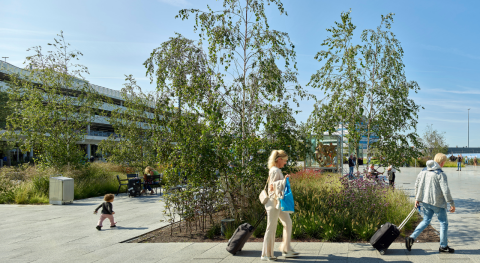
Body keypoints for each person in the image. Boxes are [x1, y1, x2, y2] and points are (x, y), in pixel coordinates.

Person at [405, 153, 455, 253]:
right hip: (438, 203)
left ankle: (411, 238)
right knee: (443, 223)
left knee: (426, 220)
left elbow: (417, 185)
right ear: (442, 162)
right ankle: (443, 246)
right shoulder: (440, 174)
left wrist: (417, 199)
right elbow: (445, 190)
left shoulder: (423, 171)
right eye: (444, 162)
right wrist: (451, 203)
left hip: (425, 201)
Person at [261, 150, 298, 261]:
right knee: (271, 228)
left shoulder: (275, 170)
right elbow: (273, 187)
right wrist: (284, 180)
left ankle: (286, 249)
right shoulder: (275, 170)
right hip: (273, 202)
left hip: (278, 201)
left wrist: (283, 180)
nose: (285, 163)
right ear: (279, 159)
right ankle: (266, 254)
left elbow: (274, 186)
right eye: (285, 160)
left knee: (288, 222)